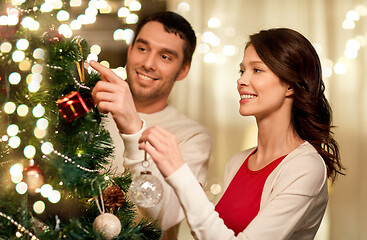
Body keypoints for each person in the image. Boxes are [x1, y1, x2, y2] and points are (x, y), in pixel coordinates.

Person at [138, 28, 345, 239]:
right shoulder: (237, 162)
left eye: (257, 70)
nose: (241, 80)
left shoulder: (305, 168)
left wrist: (179, 172)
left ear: (290, 85)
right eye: (242, 71)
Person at [90, 11, 212, 240]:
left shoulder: (194, 136)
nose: (148, 63)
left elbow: (162, 220)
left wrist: (132, 128)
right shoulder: (90, 113)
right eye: (142, 49)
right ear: (130, 50)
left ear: (183, 69)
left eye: (165, 57)